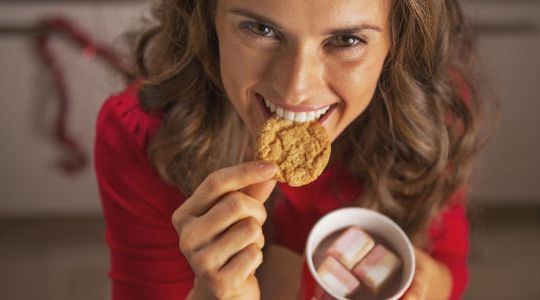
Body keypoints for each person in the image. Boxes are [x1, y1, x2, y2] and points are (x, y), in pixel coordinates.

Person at [95, 0, 493, 299]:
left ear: (398, 39)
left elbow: (449, 268)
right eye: (260, 29)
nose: (295, 90)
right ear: (207, 18)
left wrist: (418, 282)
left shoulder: (429, 117)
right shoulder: (143, 136)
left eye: (346, 39)